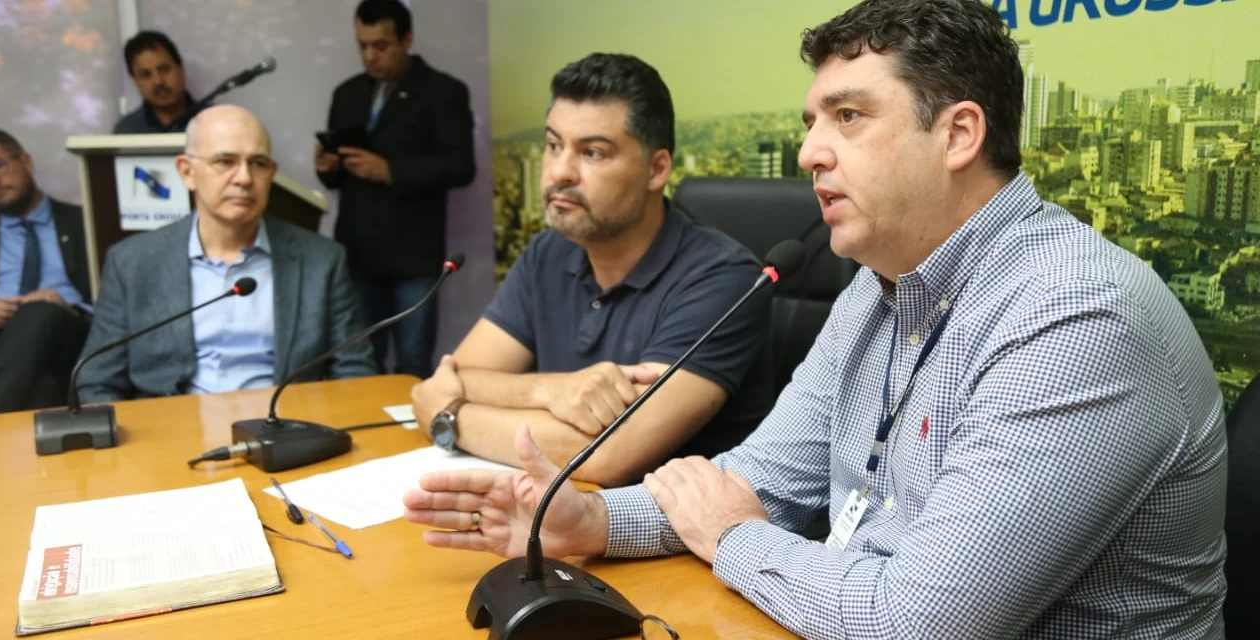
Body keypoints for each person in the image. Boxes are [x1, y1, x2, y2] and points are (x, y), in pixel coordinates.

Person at [403, 1, 1228, 637]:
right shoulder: (878, 287)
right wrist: (590, 521)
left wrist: (734, 538)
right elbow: (759, 479)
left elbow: (918, 623)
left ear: (958, 134)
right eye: (811, 124)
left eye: (849, 117)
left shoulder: (1079, 318)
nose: (809, 153)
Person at [410, 53, 775, 488]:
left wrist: (449, 416)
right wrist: (550, 391)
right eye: (553, 145)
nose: (560, 171)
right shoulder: (548, 252)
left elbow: (607, 454)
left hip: (673, 524)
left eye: (593, 153)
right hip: (551, 509)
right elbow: (458, 374)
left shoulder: (723, 278)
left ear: (656, 169)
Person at [78, 105, 376, 402]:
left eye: (258, 163)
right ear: (187, 172)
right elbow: (96, 383)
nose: (244, 178)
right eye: (225, 162)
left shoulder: (322, 261)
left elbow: (355, 374)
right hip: (171, 425)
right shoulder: (132, 262)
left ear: (271, 174)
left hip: (283, 423)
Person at [316, 0, 476, 378]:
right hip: (357, 254)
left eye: (381, 45)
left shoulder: (444, 91)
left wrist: (391, 171)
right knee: (357, 365)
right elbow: (338, 177)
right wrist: (327, 169)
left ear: (406, 40)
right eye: (362, 45)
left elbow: (461, 167)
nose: (370, 56)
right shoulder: (347, 93)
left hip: (413, 257)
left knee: (412, 365)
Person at [0, 129, 91, 413]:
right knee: (42, 389)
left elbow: (113, 298)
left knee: (40, 311)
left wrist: (69, 307)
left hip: (68, 333)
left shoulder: (83, 221)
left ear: (26, 161)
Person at [113, 31, 206, 135]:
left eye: (164, 69)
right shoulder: (127, 131)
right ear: (135, 81)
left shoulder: (213, 120)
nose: (158, 81)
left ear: (181, 70)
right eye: (146, 75)